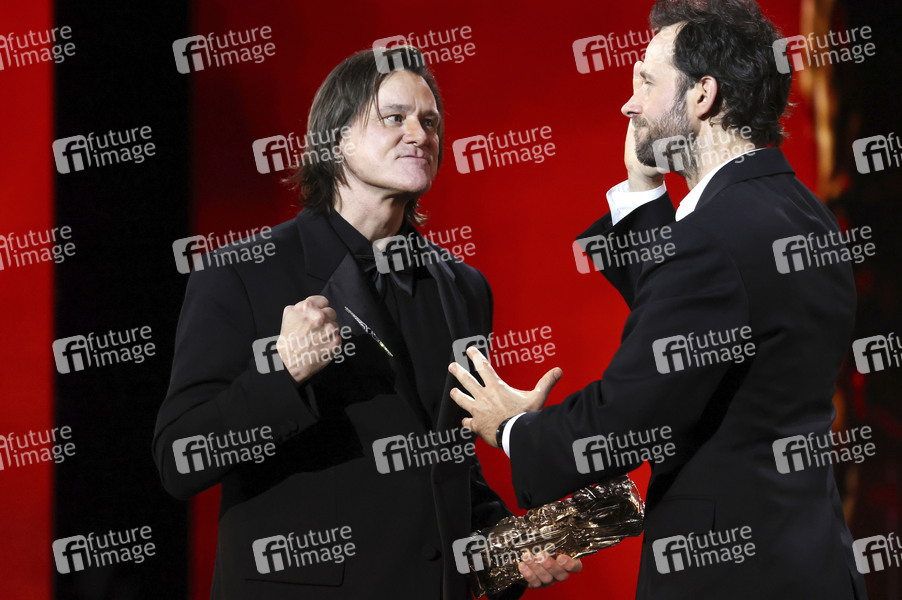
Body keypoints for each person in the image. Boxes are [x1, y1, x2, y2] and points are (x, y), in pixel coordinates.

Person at [448, 1, 868, 598]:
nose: (630, 104)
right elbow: (697, 324)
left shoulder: (713, 239)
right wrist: (643, 191)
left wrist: (513, 429)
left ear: (702, 96)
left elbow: (625, 420)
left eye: (646, 81)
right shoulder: (802, 213)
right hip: (810, 561)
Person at [153, 46, 579, 599]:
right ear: (335, 139)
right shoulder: (241, 272)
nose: (419, 135)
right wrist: (284, 373)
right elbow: (180, 459)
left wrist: (506, 546)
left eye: (430, 122)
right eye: (394, 117)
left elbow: (446, 468)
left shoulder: (463, 288)